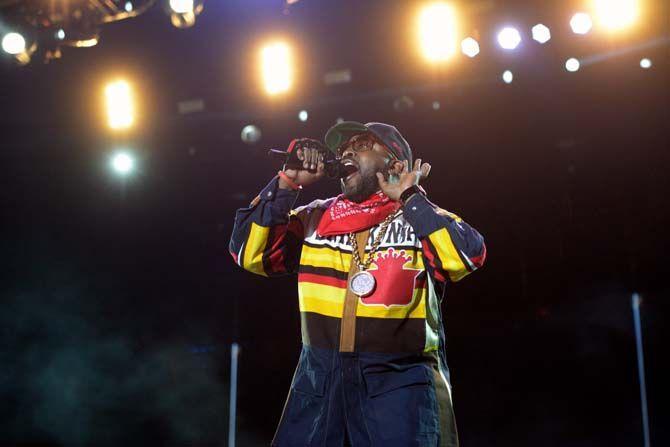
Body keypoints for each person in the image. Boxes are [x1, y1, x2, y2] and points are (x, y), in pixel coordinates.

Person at [229, 121, 486, 447]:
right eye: (343, 148)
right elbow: (248, 252)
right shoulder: (315, 218)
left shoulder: (418, 218)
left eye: (362, 144)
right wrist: (287, 184)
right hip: (319, 385)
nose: (347, 151)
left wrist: (410, 198)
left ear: (394, 163)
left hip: (399, 384)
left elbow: (465, 257)